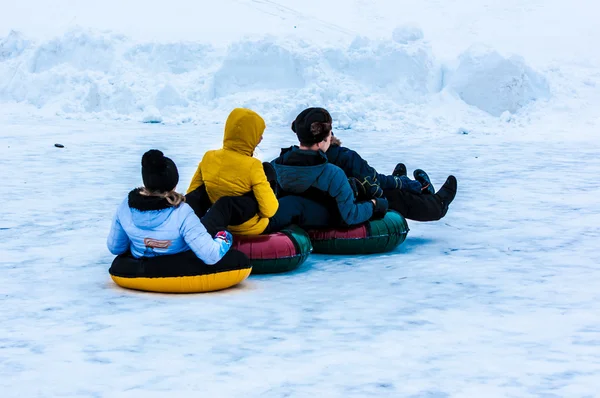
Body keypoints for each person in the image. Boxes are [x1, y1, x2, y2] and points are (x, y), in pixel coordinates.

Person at [292, 108, 457, 222]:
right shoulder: (344, 157)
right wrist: (404, 184)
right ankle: (433, 200)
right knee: (390, 194)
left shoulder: (286, 159)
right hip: (347, 210)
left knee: (384, 184)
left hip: (317, 210)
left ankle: (405, 182)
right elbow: (374, 182)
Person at [107, 149, 248, 268]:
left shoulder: (126, 205)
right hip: (178, 262)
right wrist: (224, 237)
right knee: (221, 209)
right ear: (173, 183)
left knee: (197, 198)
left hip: (142, 262)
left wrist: (141, 239)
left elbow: (116, 247)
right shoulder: (182, 212)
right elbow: (210, 255)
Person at [268, 108, 389, 230]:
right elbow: (350, 215)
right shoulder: (332, 173)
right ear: (322, 141)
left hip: (292, 219)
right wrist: (375, 205)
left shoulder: (275, 165)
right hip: (322, 226)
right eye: (330, 134)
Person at [187, 108, 278, 235]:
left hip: (218, 219)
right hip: (247, 228)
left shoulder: (208, 156)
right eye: (258, 134)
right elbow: (269, 210)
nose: (261, 138)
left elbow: (192, 193)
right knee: (268, 169)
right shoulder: (253, 166)